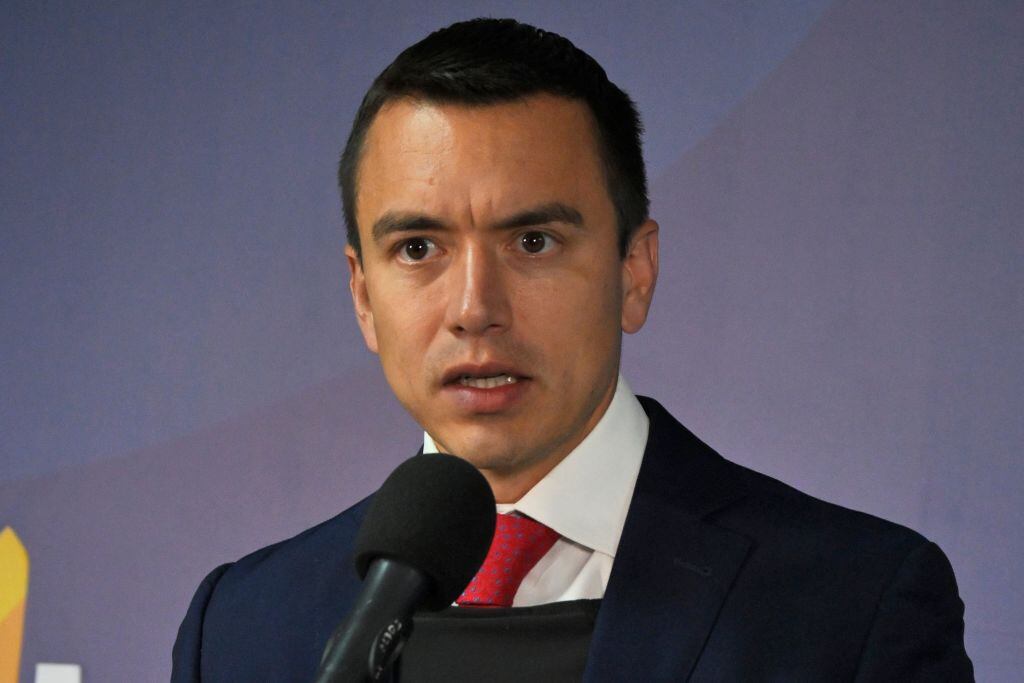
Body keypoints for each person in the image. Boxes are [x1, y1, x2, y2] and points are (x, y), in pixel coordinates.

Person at [171, 18, 973, 681]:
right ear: (362, 296)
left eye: (533, 240)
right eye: (418, 248)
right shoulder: (241, 628)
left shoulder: (855, 606)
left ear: (634, 272)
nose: (474, 308)